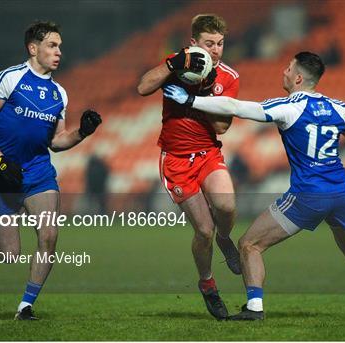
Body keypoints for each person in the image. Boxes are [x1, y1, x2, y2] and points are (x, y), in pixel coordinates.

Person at [163, 51, 345, 320]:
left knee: (249, 244)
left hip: (308, 195)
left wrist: (193, 100)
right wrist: (337, 126)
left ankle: (254, 308)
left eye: (288, 69)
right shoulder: (337, 107)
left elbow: (236, 107)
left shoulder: (290, 107)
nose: (284, 72)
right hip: (341, 193)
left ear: (299, 78)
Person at [0, 21, 102, 320]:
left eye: (60, 46)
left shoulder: (59, 94)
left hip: (38, 171)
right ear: (33, 48)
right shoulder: (9, 78)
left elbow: (56, 141)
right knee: (9, 254)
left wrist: (82, 132)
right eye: (52, 46)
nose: (59, 52)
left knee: (49, 234)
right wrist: (0, 160)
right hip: (2, 173)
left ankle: (26, 305)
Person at [137, 14, 240, 320]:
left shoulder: (228, 77)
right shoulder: (177, 63)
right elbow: (143, 87)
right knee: (203, 230)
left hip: (208, 152)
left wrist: (201, 94)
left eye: (220, 43)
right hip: (177, 159)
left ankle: (226, 239)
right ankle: (208, 284)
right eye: (209, 43)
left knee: (227, 205)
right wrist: (172, 65)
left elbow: (222, 125)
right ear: (194, 43)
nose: (216, 49)